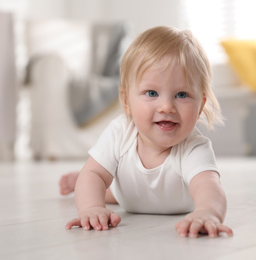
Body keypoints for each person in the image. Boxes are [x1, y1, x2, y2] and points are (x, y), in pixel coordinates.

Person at [59, 26, 233, 238]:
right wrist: (91, 208)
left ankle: (94, 183)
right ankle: (82, 180)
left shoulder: (194, 147)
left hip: (133, 190)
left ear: (200, 105)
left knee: (116, 187)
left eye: (181, 94)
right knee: (98, 183)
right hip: (127, 193)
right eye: (152, 93)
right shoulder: (120, 131)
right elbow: (94, 174)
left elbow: (209, 187)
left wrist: (207, 212)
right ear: (126, 101)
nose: (166, 107)